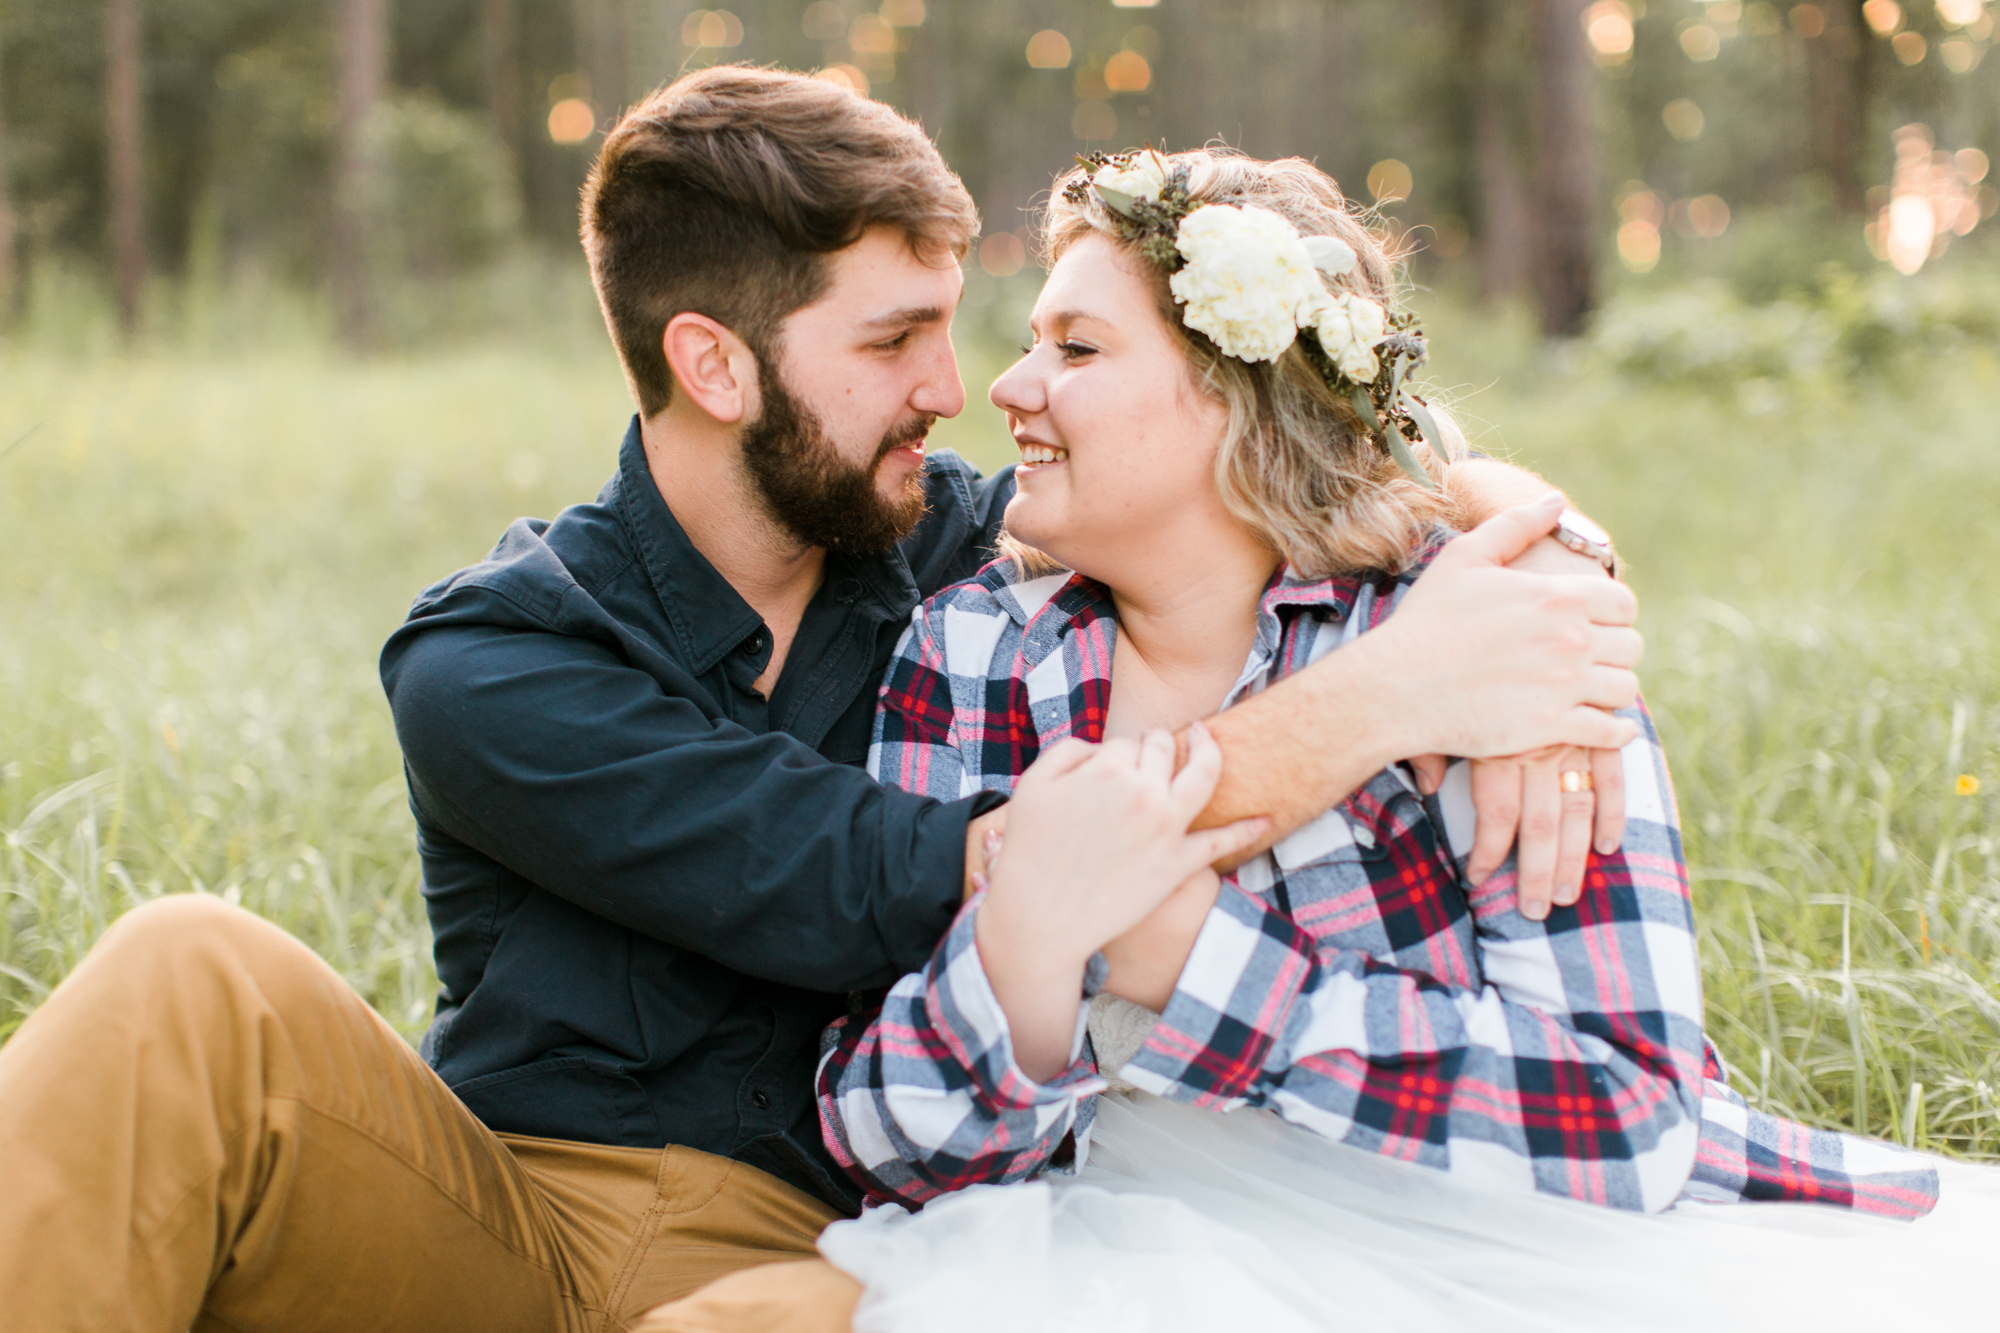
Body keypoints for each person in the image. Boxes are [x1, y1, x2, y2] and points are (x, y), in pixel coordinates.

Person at [0, 73, 1643, 1332]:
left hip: (844, 1245)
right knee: (184, 971)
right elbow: (924, 873)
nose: (957, 385)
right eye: (898, 339)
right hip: (495, 1223)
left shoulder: (958, 558)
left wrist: (1523, 534)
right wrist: (1399, 688)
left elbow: (1227, 471)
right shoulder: (494, 661)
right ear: (719, 368)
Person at [811, 149, 1996, 1332]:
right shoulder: (968, 654)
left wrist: (1190, 967)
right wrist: (1021, 963)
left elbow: (1632, 1114)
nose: (1005, 387)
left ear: (1239, 392)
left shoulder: (1493, 629)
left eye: (1075, 348)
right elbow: (885, 1144)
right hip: (1116, 1250)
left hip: (1513, 1260)